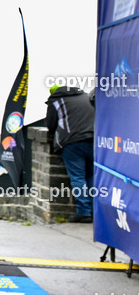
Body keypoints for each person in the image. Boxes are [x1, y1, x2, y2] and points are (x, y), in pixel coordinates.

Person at [45, 84, 95, 223]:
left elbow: (50, 125)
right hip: (94, 140)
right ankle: (94, 210)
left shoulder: (56, 101)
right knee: (91, 176)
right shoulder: (86, 96)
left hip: (72, 142)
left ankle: (84, 212)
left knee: (78, 177)